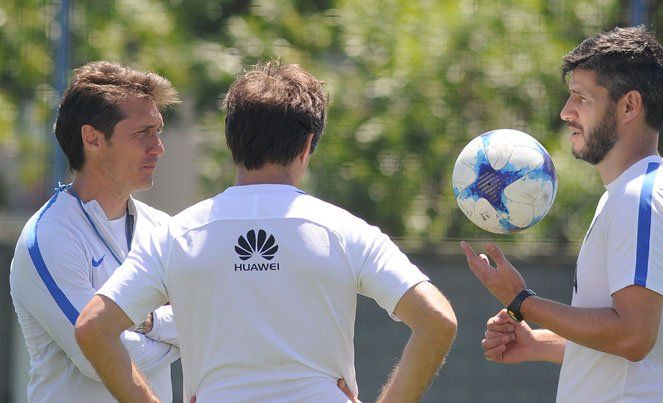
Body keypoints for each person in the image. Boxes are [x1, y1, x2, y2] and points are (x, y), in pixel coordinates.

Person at [74, 61, 457, 402]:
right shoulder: (345, 231)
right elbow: (437, 320)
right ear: (307, 145)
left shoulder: (176, 236)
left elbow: (93, 328)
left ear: (232, 141)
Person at [462, 26, 663, 402]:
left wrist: (522, 301)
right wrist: (539, 343)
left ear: (629, 106)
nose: (566, 112)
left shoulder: (641, 200)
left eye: (582, 98)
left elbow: (633, 336)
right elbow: (628, 346)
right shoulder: (629, 195)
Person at [9, 61, 181, 402]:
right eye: (142, 132)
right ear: (93, 138)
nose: (158, 146)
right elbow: (95, 356)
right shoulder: (49, 236)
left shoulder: (164, 228)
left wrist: (146, 323)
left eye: (158, 130)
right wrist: (175, 338)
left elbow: (205, 324)